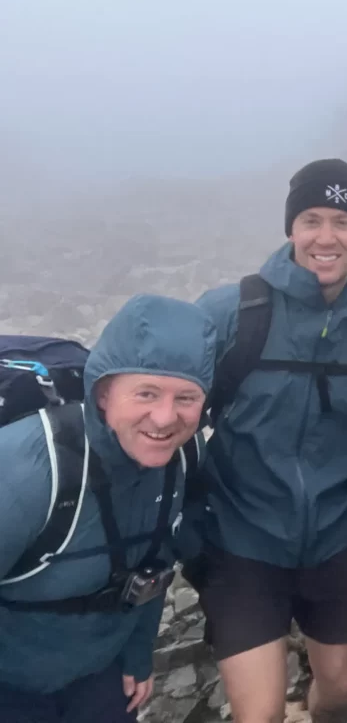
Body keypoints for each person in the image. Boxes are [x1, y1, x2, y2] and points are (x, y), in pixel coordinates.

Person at [189, 158, 347, 723]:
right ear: (291, 229)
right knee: (258, 714)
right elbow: (162, 412)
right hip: (243, 540)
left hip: (337, 540)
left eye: (343, 222)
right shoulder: (234, 313)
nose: (326, 236)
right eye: (312, 220)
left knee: (341, 694)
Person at [0, 294, 217, 723]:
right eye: (146, 393)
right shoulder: (30, 472)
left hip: (101, 677)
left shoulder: (184, 458)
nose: (163, 417)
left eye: (186, 398)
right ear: (103, 395)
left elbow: (155, 560)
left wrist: (138, 656)